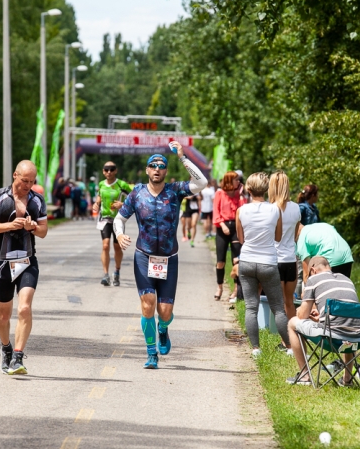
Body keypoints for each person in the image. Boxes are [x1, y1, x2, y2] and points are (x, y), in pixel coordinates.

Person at [114, 143, 207, 369]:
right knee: (148, 305)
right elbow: (119, 218)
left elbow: (202, 182)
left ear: (166, 171)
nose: (157, 169)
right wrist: (119, 234)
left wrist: (183, 158)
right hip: (143, 256)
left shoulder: (175, 191)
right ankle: (151, 353)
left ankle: (163, 328)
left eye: (161, 166)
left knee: (164, 313)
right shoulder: (137, 193)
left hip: (169, 258)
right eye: (153, 166)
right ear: (147, 170)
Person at [0, 160, 48, 375]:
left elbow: (43, 231)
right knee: (3, 316)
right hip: (2, 263)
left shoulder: (37, 201)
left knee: (25, 307)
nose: (28, 185)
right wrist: (11, 225)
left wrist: (33, 227)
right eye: (24, 180)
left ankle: (18, 356)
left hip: (27, 261)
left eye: (32, 181)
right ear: (14, 175)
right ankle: (6, 348)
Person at [287, 256, 360, 386]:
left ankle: (304, 375)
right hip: (359, 338)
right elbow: (345, 315)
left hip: (332, 338)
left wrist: (301, 309)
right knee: (348, 325)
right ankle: (347, 379)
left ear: (312, 270)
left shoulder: (314, 279)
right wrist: (320, 318)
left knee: (292, 323)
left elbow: (302, 315)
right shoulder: (346, 279)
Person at [235, 173, 289, 358]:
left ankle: (256, 348)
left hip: (247, 260)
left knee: (251, 307)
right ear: (266, 190)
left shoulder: (241, 211)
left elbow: (241, 239)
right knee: (278, 308)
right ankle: (290, 347)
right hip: (268, 262)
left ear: (248, 190)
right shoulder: (275, 210)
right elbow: (278, 237)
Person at [268, 171, 301, 355]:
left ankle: (285, 341)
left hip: (275, 259)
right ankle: (295, 338)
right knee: (290, 303)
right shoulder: (296, 208)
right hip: (291, 259)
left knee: (278, 305)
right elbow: (296, 233)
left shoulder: (271, 208)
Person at [92, 162, 132, 287]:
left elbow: (133, 199)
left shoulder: (122, 184)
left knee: (117, 247)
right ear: (103, 171)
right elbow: (100, 196)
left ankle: (117, 271)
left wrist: (122, 205)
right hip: (105, 218)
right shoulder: (101, 184)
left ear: (116, 170)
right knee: (105, 245)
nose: (109, 172)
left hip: (118, 220)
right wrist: (96, 204)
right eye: (106, 169)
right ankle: (105, 275)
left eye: (112, 169)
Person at [212, 171, 247, 300]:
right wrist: (222, 225)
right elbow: (216, 212)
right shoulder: (219, 193)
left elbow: (244, 212)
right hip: (223, 227)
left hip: (236, 227)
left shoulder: (239, 195)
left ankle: (236, 289)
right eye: (236, 180)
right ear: (229, 180)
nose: (238, 182)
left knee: (236, 260)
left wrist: (242, 195)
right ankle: (219, 286)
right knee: (220, 260)